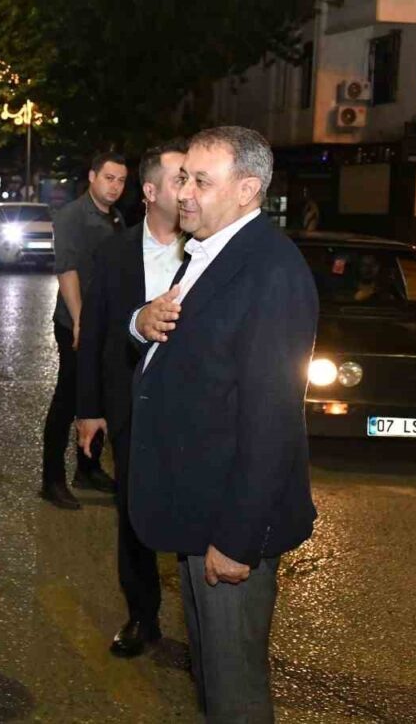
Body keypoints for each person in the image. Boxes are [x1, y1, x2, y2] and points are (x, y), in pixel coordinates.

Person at [131, 126, 318, 723]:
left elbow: (272, 418)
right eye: (183, 177)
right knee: (213, 682)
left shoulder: (270, 271)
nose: (183, 192)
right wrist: (141, 323)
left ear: (246, 190)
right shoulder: (210, 254)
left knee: (235, 695)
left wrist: (237, 539)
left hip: (229, 525)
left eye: (200, 181)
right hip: (199, 510)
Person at [75, 139, 186, 658]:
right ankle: (143, 615)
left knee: (194, 514)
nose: (189, 189)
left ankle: (205, 631)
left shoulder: (209, 250)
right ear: (151, 191)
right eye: (180, 179)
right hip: (130, 406)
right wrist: (89, 409)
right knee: (134, 513)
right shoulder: (114, 253)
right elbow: (94, 334)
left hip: (191, 407)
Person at [40, 153, 127, 510]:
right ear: (92, 176)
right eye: (109, 178)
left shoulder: (117, 217)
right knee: (68, 400)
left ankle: (88, 469)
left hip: (105, 325)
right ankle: (52, 480)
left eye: (121, 180)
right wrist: (80, 321)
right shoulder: (72, 215)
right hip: (76, 324)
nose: (115, 186)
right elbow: (67, 270)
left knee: (99, 397)